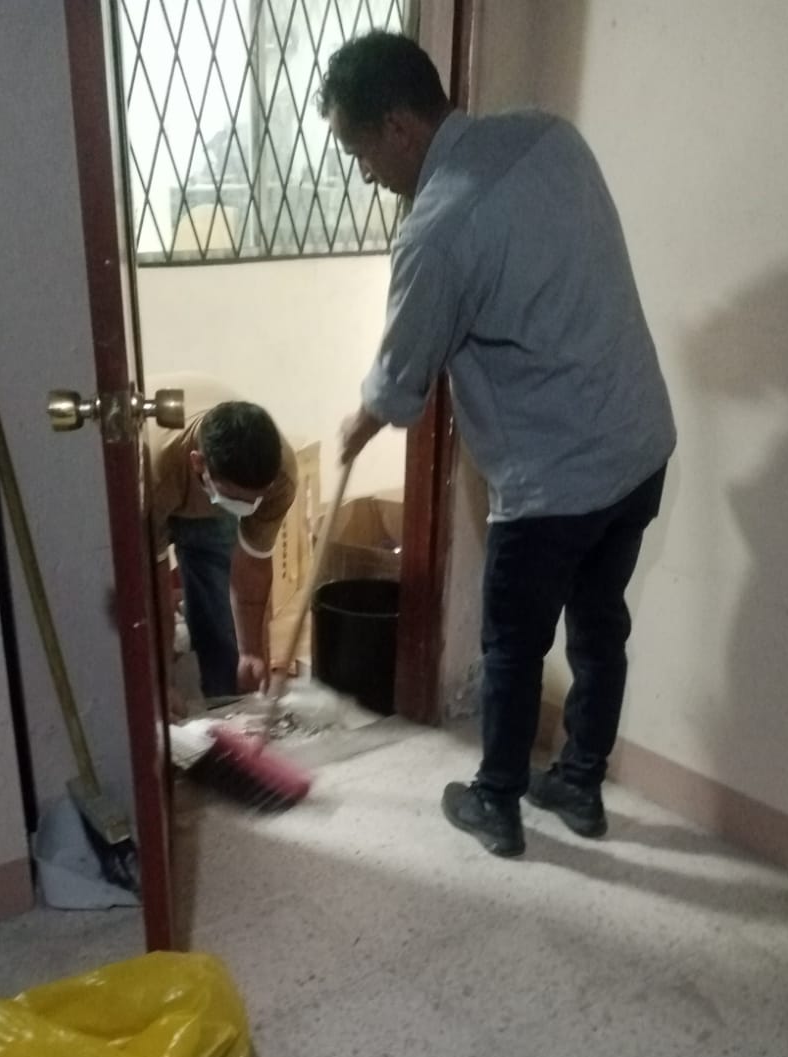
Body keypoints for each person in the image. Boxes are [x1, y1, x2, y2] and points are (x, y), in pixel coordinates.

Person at [317, 32, 676, 858]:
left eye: (360, 151)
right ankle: (580, 783)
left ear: (399, 126)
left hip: (553, 482)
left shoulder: (437, 231)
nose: (364, 173)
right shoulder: (550, 137)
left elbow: (399, 385)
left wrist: (356, 424)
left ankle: (496, 800)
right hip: (637, 444)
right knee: (600, 625)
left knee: (513, 643)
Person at [145, 373, 298, 705]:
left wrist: (251, 652)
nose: (245, 507)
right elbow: (152, 586)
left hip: (206, 504)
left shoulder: (280, 477)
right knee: (134, 620)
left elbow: (253, 566)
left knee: (224, 633)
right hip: (156, 488)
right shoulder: (153, 472)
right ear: (198, 463)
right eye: (235, 498)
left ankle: (225, 704)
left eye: (253, 499)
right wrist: (161, 681)